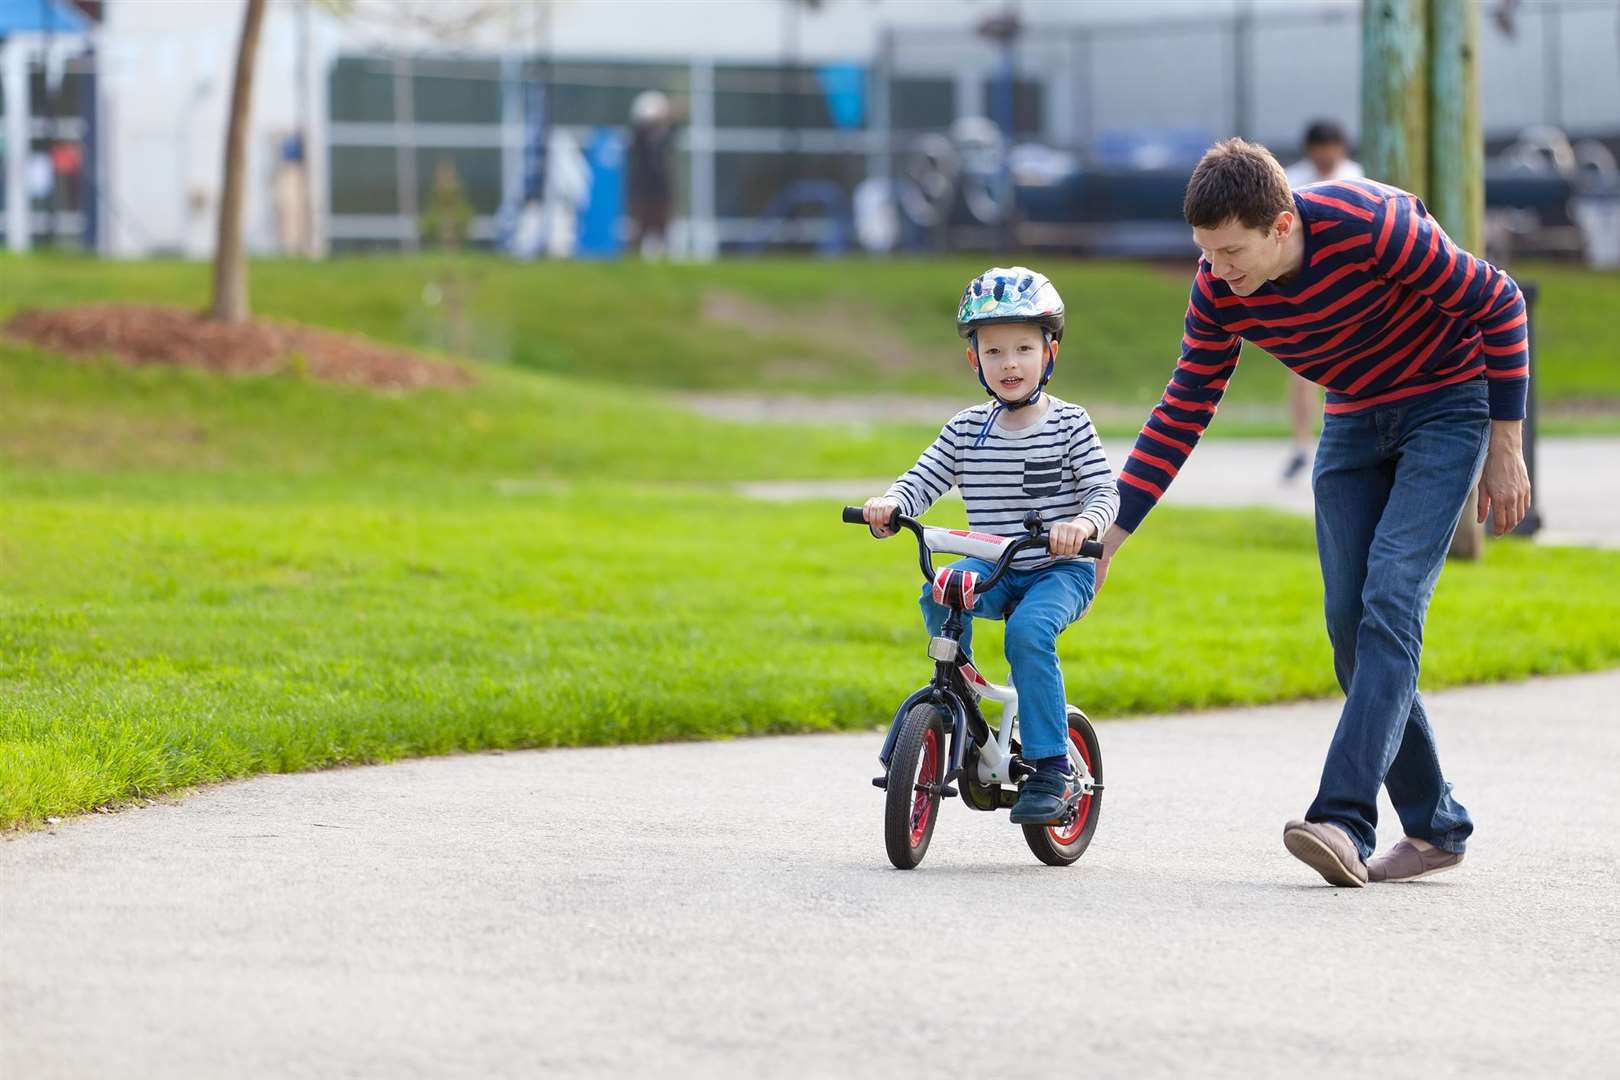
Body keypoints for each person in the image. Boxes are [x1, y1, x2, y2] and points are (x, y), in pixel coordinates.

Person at [1098, 139, 1531, 886]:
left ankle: (1343, 818)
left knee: (1391, 597)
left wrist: (1506, 441)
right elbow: (1183, 409)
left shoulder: (1373, 227)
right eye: (1207, 253)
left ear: (1282, 225)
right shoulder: (1217, 289)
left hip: (1447, 404)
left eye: (1231, 252)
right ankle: (1436, 827)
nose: (1219, 272)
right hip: (1356, 417)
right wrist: (1114, 533)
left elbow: (1499, 298)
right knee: (1347, 625)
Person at [862, 268, 1119, 825]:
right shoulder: (966, 429)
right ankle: (963, 696)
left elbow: (1104, 491)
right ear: (973, 360)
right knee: (939, 591)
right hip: (996, 565)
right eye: (994, 350)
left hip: (1059, 569)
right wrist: (891, 505)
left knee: (1029, 633)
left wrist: (1083, 523)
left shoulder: (1071, 424)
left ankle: (1052, 765)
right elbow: (923, 479)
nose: (1009, 363)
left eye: (1024, 348)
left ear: (1050, 352)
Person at [1281, 121, 1366, 480]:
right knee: (1303, 372)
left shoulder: (1354, 177)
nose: (1326, 157)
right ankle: (1303, 444)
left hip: (1347, 285)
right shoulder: (1291, 180)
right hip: (1303, 289)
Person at [627, 90, 675, 258]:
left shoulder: (665, 137)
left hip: (661, 189)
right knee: (640, 227)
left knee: (662, 226)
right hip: (643, 190)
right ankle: (635, 254)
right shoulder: (638, 138)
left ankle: (663, 254)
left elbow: (677, 123)